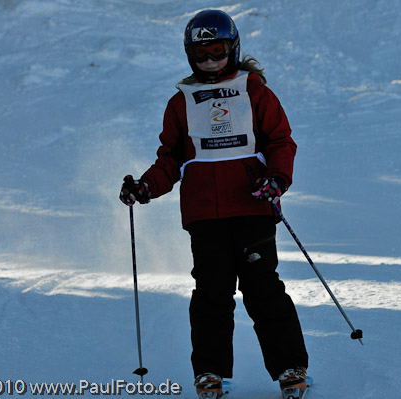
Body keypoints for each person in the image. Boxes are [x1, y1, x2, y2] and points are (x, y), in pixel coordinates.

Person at [119, 9, 308, 399]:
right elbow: (170, 158)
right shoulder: (181, 102)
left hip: (253, 206)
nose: (210, 60)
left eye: (218, 51)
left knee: (262, 289)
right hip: (204, 214)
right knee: (211, 293)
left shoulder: (255, 91)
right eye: (201, 54)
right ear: (190, 55)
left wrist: (277, 179)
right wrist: (145, 187)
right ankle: (210, 373)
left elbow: (280, 141)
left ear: (233, 48)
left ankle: (290, 367)